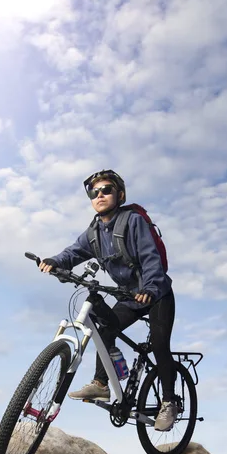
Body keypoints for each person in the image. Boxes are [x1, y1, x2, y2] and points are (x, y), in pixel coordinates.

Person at [39, 169, 177, 431]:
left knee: (160, 345)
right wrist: (55, 262)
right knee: (104, 329)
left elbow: (150, 258)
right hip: (128, 295)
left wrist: (149, 287)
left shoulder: (133, 221)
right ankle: (102, 385)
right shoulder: (94, 231)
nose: (99, 195)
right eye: (94, 192)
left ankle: (169, 402)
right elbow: (74, 252)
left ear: (120, 195)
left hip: (156, 292)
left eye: (106, 190)